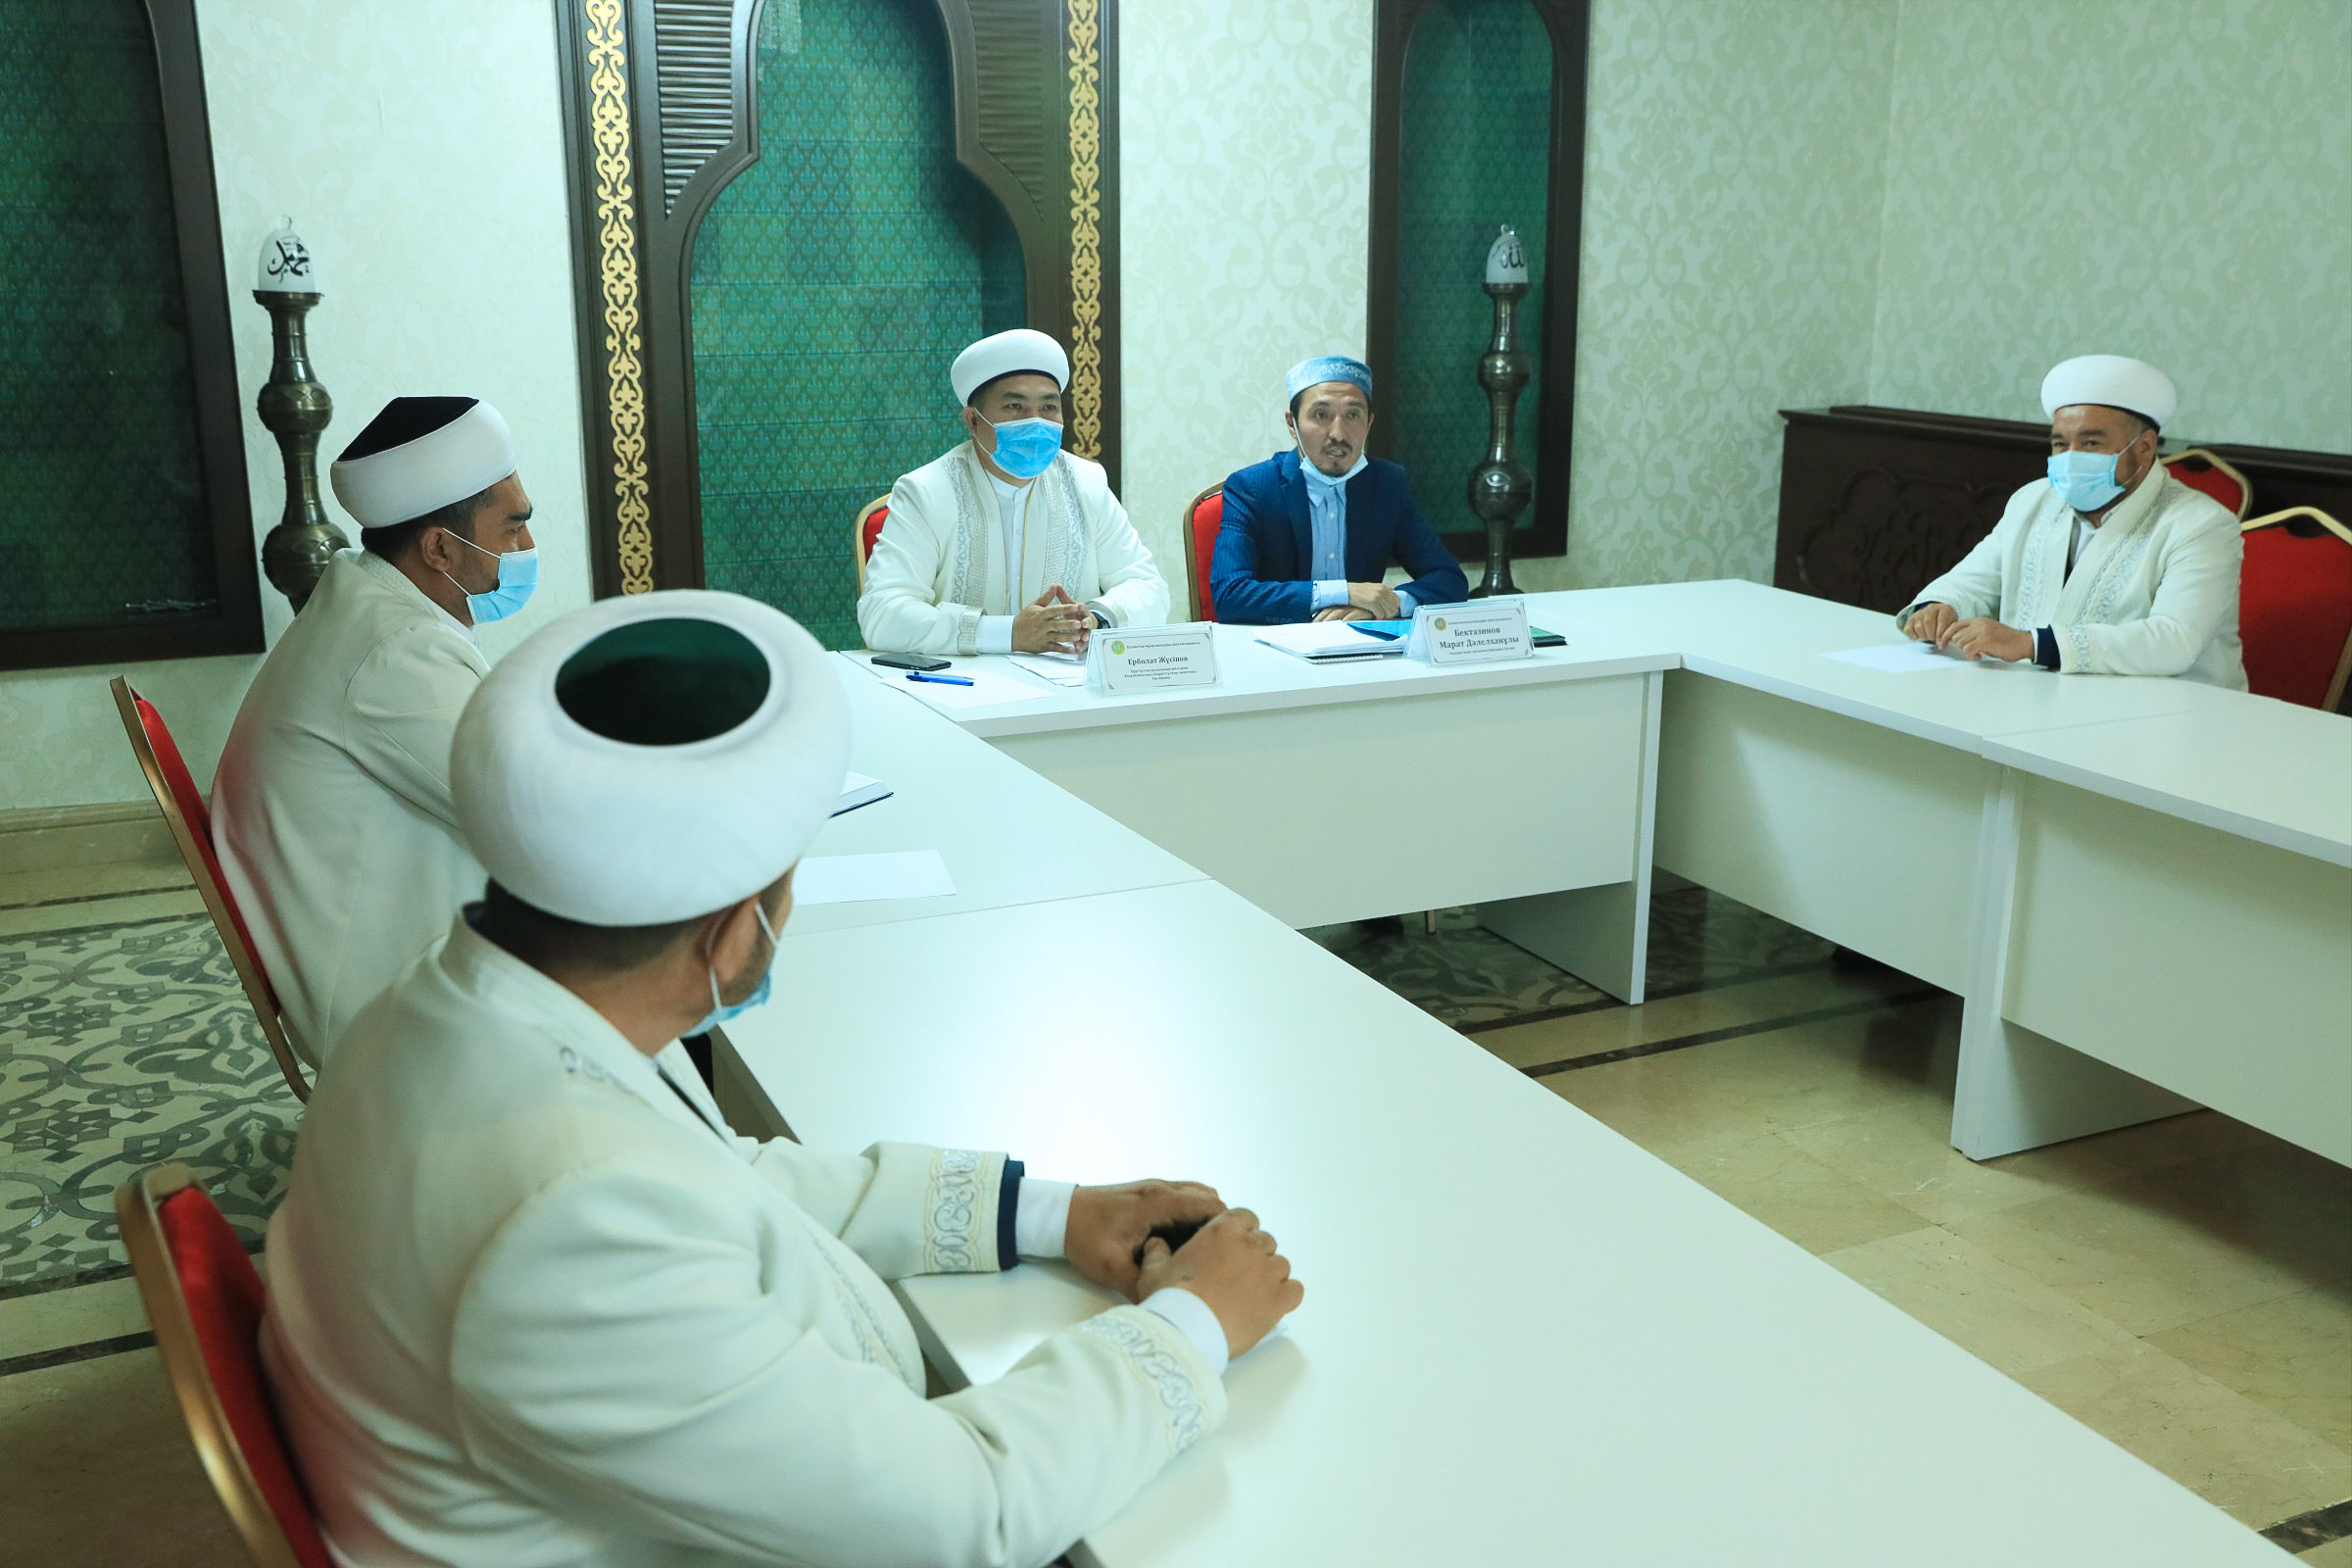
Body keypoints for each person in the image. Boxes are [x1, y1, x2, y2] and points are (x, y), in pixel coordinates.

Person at [259, 589, 1301, 1568]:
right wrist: (1192, 1325)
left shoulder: (455, 1003)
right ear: (732, 929)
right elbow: (963, 1512)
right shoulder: (573, 1226)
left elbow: (726, 1175)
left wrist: (1048, 1212)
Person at [211, 396, 539, 1063]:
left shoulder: (366, 601)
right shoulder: (393, 652)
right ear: (440, 548)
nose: (527, 549)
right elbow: (534, 810)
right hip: (391, 1004)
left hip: (397, 946)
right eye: (513, 529)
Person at [1897, 355, 2246, 688]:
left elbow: (2175, 640)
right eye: (2061, 444)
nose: (2071, 457)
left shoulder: (2202, 525)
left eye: (2091, 442)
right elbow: (1974, 580)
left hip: (2172, 713)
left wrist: (2031, 643)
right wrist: (1938, 607)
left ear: (2145, 447)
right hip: (2037, 696)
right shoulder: (2034, 500)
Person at [858, 328, 1168, 657]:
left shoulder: (1086, 483)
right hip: (963, 682)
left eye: (1049, 407)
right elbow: (882, 612)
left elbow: (1149, 588)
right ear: (973, 420)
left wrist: (1096, 619)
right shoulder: (927, 492)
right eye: (1015, 406)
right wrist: (1009, 634)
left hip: (1067, 679)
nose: (1035, 422)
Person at [1209, 354, 1468, 623]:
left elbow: (1450, 579)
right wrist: (1345, 592)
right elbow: (1229, 595)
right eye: (1321, 415)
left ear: (1369, 423)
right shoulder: (1253, 487)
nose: (1339, 434)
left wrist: (1388, 604)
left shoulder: (1387, 484)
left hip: (1359, 642)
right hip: (1276, 642)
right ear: (1292, 423)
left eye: (1353, 415)